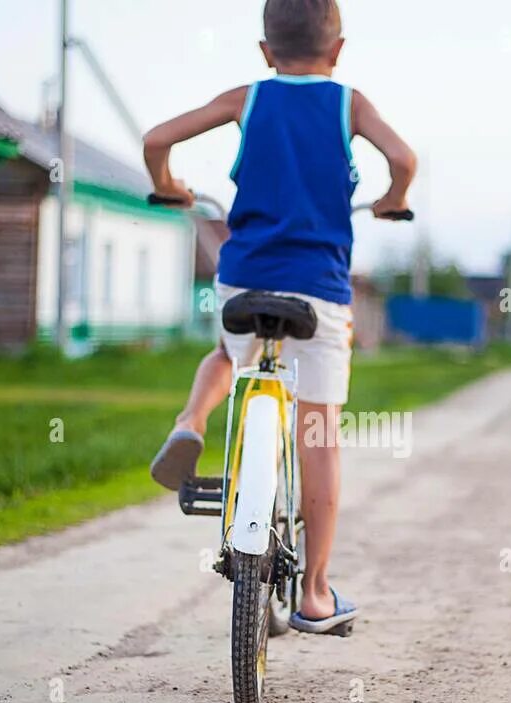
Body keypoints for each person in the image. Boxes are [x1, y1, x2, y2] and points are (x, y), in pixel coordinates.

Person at [144, 0, 417, 634]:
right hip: (318, 294)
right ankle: (316, 593)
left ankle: (190, 421)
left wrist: (171, 185)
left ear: (265, 51)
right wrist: (391, 201)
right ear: (339, 49)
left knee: (225, 353)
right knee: (317, 430)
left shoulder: (248, 97)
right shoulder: (349, 104)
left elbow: (158, 139)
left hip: (244, 280)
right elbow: (403, 159)